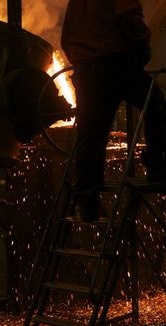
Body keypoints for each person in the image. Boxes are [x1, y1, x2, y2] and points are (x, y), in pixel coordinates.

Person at [61, 0, 166, 222]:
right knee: (155, 102)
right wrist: (141, 52)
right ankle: (157, 165)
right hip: (116, 65)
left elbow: (66, 36)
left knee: (91, 133)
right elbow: (130, 20)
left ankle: (87, 200)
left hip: (85, 70)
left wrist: (82, 62)